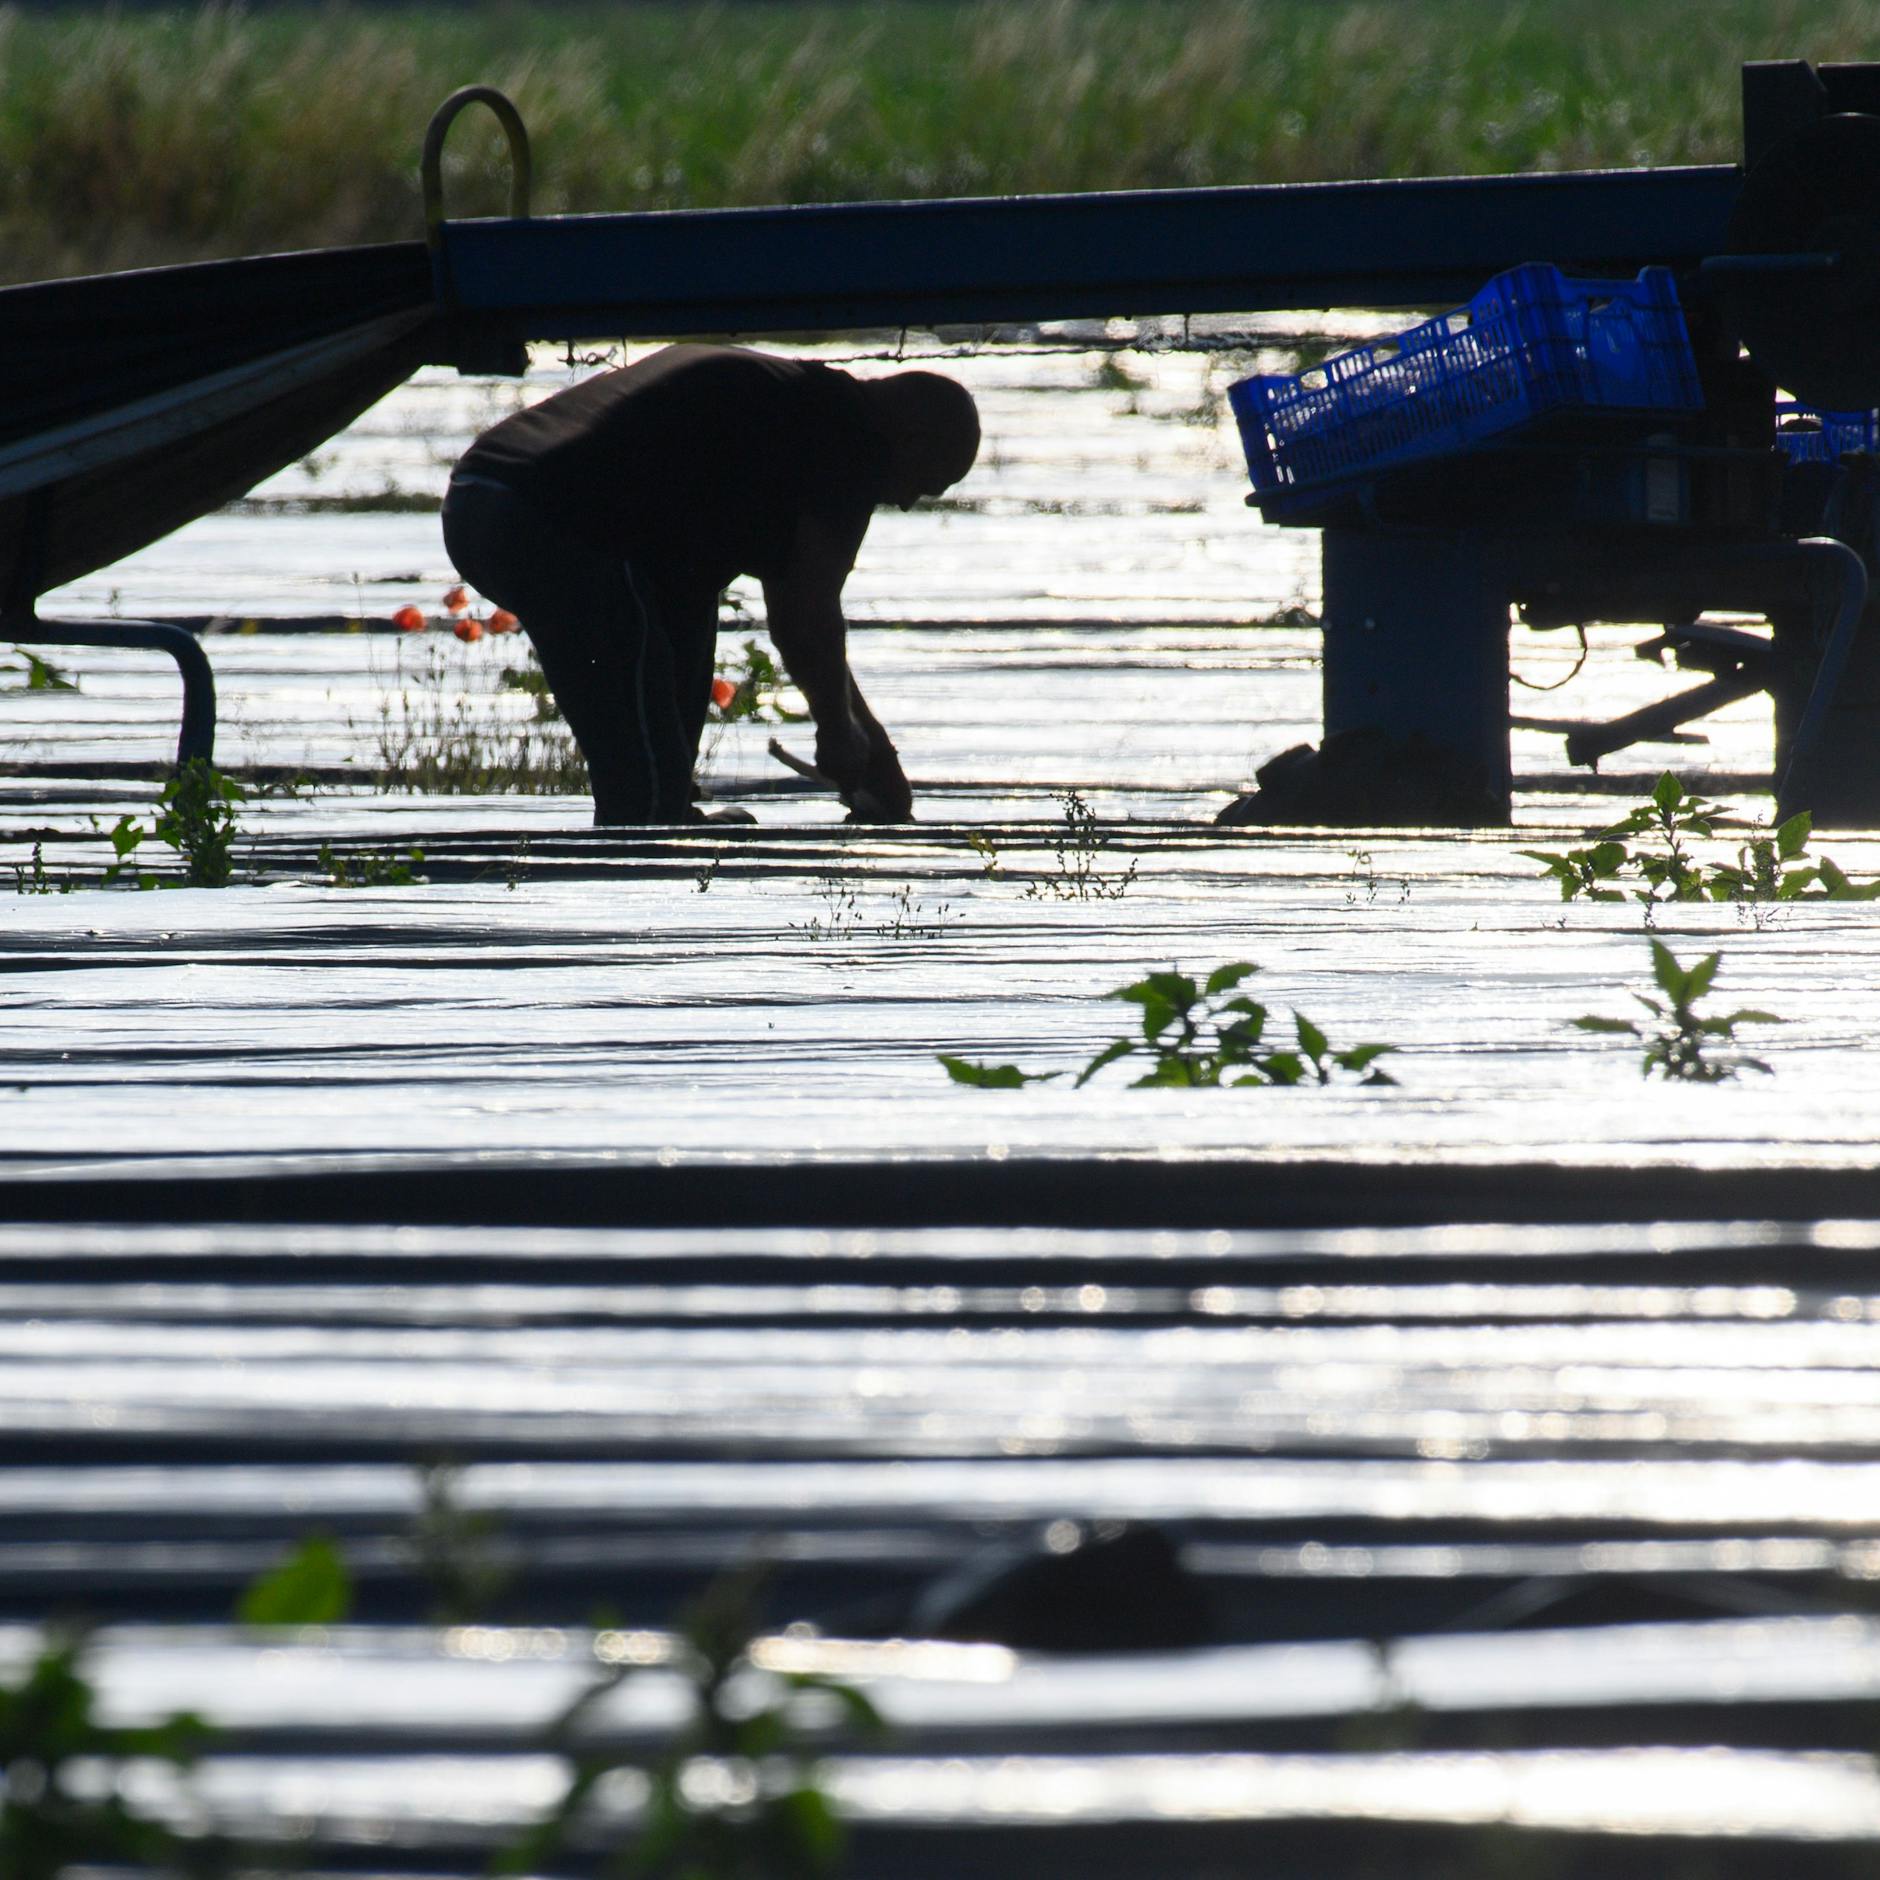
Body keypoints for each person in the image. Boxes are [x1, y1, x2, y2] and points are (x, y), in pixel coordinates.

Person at [441, 344, 980, 824]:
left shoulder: (801, 406)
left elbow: (799, 610)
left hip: (479, 499)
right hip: (543, 517)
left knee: (685, 605)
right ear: (909, 436)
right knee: (643, 804)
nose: (908, 500)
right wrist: (842, 734)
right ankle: (649, 830)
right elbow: (806, 615)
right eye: (926, 482)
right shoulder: (848, 439)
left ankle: (667, 807)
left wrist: (863, 740)